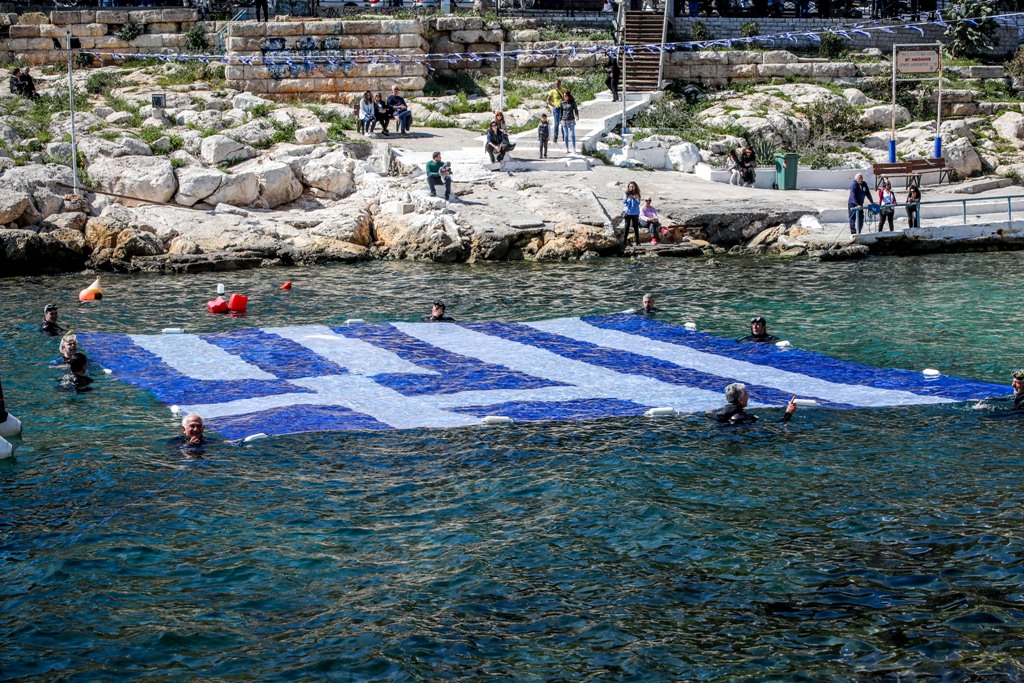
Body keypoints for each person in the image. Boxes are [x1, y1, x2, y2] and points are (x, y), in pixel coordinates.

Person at [708, 382, 798, 425]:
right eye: (746, 394)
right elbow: (775, 425)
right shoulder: (746, 417)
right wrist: (788, 413)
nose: (748, 396)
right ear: (740, 400)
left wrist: (708, 413)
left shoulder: (718, 414)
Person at [621, 181, 642, 249]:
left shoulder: (637, 194)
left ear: (635, 187)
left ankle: (637, 241)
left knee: (635, 227)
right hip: (628, 212)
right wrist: (628, 197)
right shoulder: (626, 193)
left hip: (635, 213)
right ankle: (624, 241)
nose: (631, 188)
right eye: (630, 186)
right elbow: (624, 201)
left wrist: (633, 198)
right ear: (628, 187)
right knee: (627, 226)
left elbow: (637, 203)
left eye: (633, 186)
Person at [545, 79, 565, 144]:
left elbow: (569, 98)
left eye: (558, 84)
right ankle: (555, 137)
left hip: (563, 108)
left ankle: (564, 137)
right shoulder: (552, 91)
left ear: (560, 84)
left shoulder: (564, 90)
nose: (557, 85)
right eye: (556, 84)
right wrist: (553, 105)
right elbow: (547, 100)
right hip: (556, 108)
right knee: (556, 123)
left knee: (563, 123)